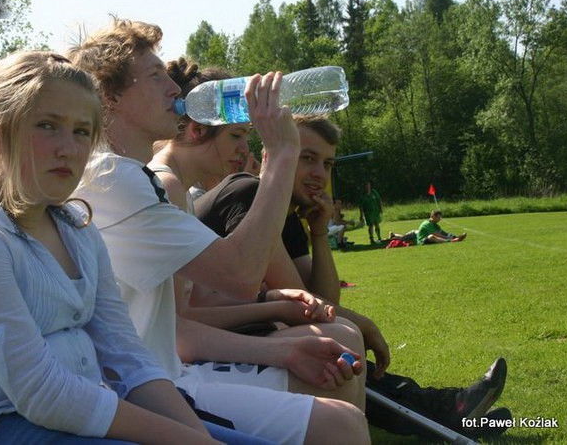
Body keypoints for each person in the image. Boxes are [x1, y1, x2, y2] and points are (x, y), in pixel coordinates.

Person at [0, 50, 265, 445]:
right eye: (47, 126)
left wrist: (198, 436)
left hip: (76, 415)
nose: (68, 148)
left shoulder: (77, 228)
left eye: (82, 132)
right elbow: (43, 394)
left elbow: (128, 358)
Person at [70, 18, 370, 445]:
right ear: (109, 96)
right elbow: (240, 275)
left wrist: (280, 339)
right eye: (155, 76)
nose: (172, 88)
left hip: (161, 374)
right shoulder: (115, 178)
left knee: (335, 387)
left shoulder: (131, 176)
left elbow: (181, 321)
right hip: (141, 390)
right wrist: (281, 154)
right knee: (340, 423)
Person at [194, 115, 510, 440]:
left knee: (334, 342)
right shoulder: (249, 193)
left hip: (239, 332)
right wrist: (364, 324)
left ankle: (450, 409)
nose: (320, 174)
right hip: (198, 342)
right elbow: (303, 301)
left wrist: (319, 232)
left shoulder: (286, 215)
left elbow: (324, 298)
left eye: (327, 163)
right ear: (272, 154)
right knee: (335, 341)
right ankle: (450, 409)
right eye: (307, 158)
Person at [149, 57, 367, 409]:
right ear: (197, 130)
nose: (244, 149)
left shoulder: (179, 192)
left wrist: (272, 303)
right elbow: (234, 285)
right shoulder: (168, 186)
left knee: (341, 339)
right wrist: (281, 155)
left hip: (173, 358)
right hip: (165, 372)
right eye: (237, 135)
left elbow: (188, 311)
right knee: (339, 354)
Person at [358, 180, 383, 244]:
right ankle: (371, 239)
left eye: (368, 185)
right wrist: (361, 215)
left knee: (377, 224)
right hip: (368, 213)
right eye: (366, 185)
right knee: (371, 225)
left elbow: (379, 200)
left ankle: (379, 237)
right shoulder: (362, 196)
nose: (367, 186)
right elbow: (361, 206)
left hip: (376, 212)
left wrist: (381, 208)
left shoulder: (374, 192)